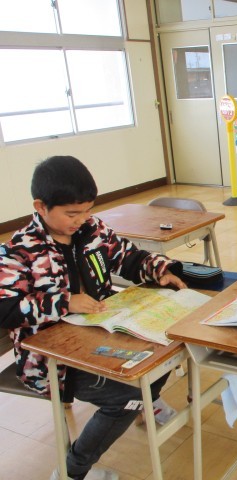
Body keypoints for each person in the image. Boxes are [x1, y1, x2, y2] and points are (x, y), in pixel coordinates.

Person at [0, 156, 187, 480]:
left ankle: (150, 400)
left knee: (165, 348)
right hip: (51, 360)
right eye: (72, 213)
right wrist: (64, 302)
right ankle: (72, 471)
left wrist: (159, 270)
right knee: (125, 397)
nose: (81, 219)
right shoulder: (19, 251)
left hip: (101, 332)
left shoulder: (92, 230)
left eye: (87, 210)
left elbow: (127, 257)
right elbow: (5, 309)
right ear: (41, 206)